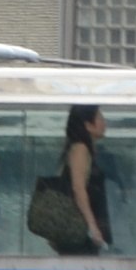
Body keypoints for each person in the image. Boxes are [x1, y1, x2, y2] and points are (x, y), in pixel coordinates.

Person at [29, 106, 111, 256]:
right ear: (88, 125)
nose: (105, 123)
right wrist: (93, 227)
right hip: (80, 231)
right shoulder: (81, 149)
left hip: (79, 230)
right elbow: (78, 189)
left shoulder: (79, 149)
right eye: (100, 118)